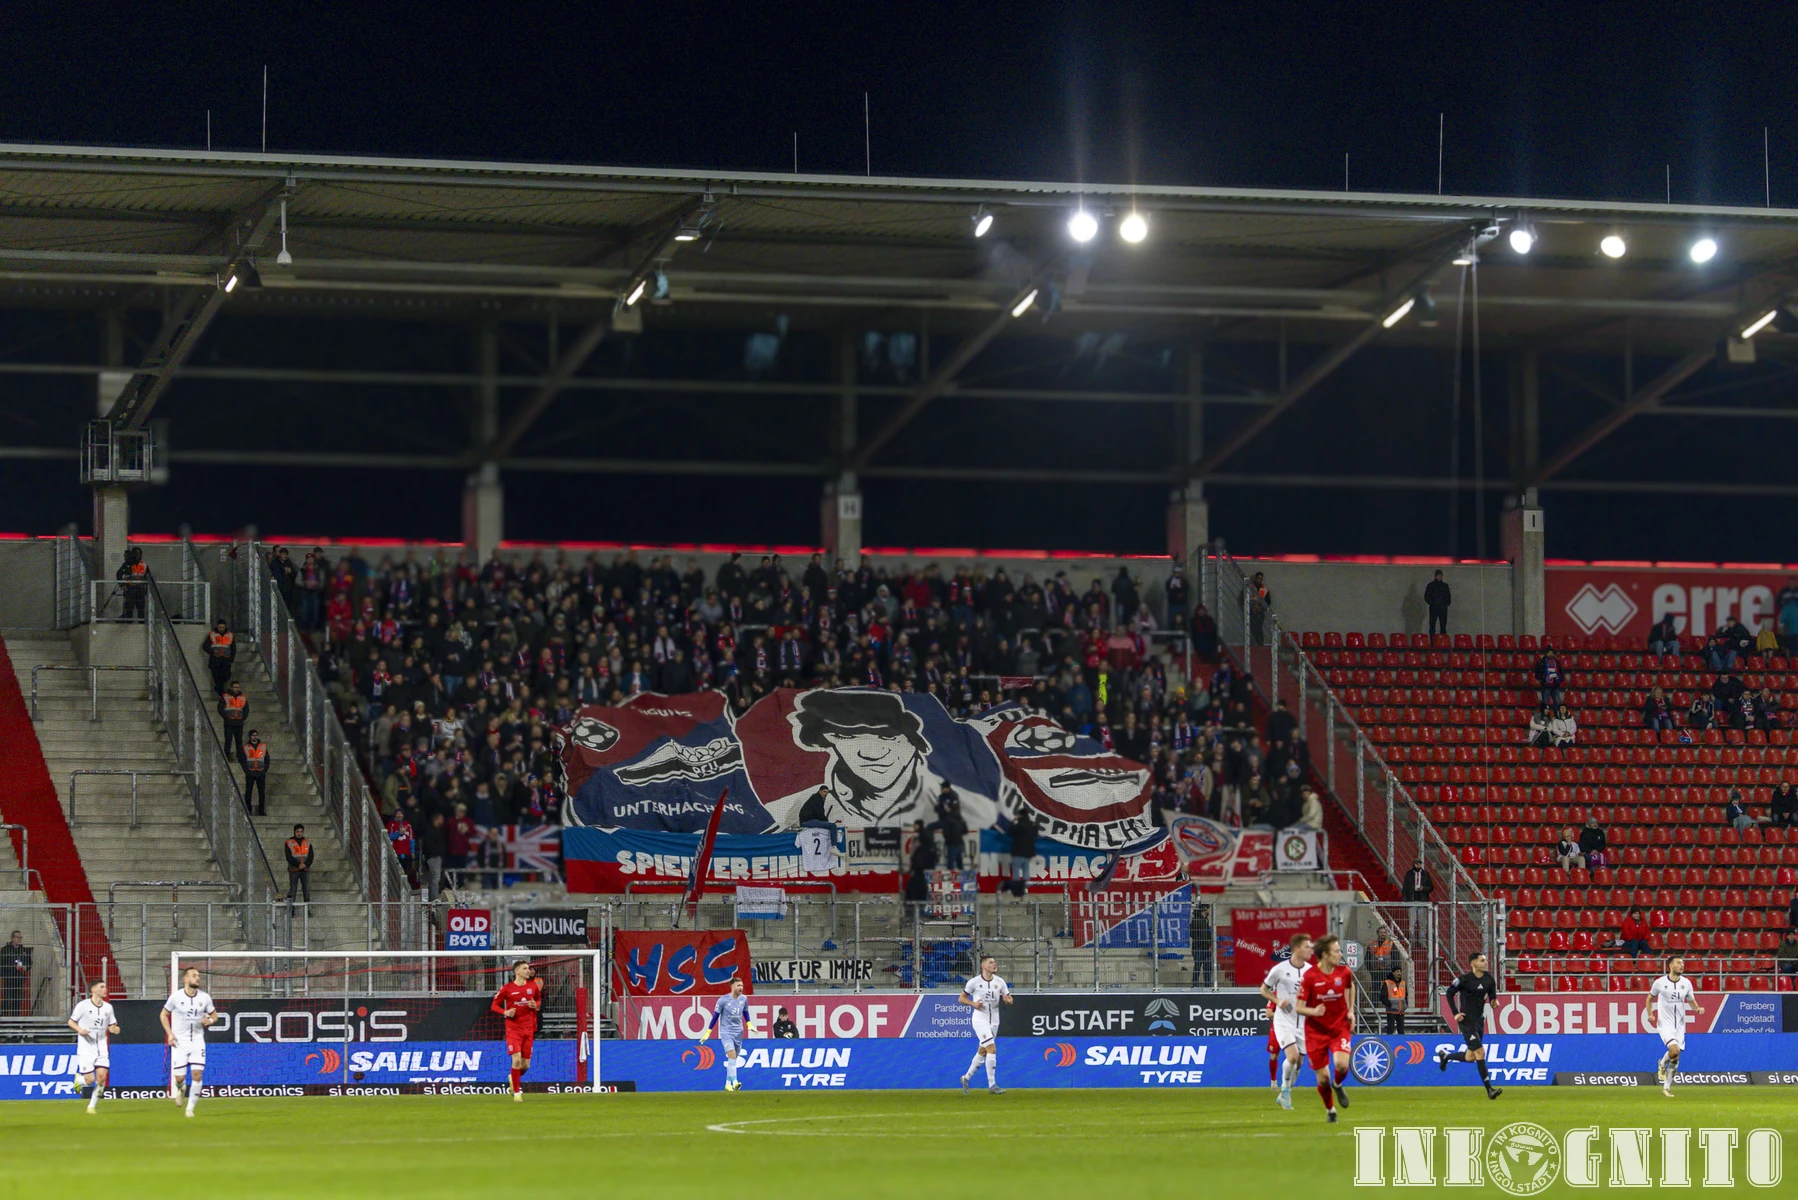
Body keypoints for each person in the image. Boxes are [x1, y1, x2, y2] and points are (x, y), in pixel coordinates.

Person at [1296, 933, 1354, 1123]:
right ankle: (1330, 1110)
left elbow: (1350, 987)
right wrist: (1314, 1011)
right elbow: (1298, 1007)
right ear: (1325, 955)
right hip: (1315, 1032)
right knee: (1322, 1079)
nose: (1340, 954)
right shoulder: (1310, 977)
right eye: (1336, 951)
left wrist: (1351, 1011)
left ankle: (1337, 1084)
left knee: (1342, 1065)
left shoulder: (1344, 972)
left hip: (1339, 1027)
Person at [1436, 950, 1503, 1100]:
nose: (1486, 963)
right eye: (1482, 960)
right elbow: (1449, 993)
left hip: (1479, 1021)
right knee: (1480, 1052)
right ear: (1474, 964)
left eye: (1485, 960)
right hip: (1466, 1021)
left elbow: (1493, 998)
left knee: (1471, 1056)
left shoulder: (1489, 979)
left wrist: (1494, 1002)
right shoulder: (1464, 980)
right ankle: (1490, 1090)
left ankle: (1446, 1056)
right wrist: (1455, 1013)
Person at [1259, 933, 1312, 1111]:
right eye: (1307, 946)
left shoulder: (1311, 971)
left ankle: (1284, 1093)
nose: (1310, 950)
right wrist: (1277, 1001)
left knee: (1299, 1063)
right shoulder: (1279, 969)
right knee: (1292, 1056)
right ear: (1296, 949)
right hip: (1283, 1021)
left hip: (1302, 1022)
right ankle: (1286, 1092)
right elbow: (1263, 989)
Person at [160, 966, 217, 1118]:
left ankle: (190, 1109)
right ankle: (181, 1088)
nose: (197, 978)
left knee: (197, 1074)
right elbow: (163, 1015)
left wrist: (210, 1021)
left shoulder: (205, 998)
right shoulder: (176, 997)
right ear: (185, 979)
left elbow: (214, 1015)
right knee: (179, 1078)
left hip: (198, 1041)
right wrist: (170, 1034)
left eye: (198, 975)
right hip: (180, 1042)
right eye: (193, 975)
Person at [1646, 956, 1702, 1098]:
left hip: (1680, 1026)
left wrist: (1697, 1008)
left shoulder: (1686, 983)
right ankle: (1662, 1063)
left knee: (1676, 1057)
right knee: (1674, 1050)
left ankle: (1666, 1088)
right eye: (1679, 963)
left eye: (1683, 963)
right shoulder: (1659, 982)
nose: (1682, 965)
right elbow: (1649, 998)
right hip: (1665, 1024)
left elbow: (1691, 1000)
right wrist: (1650, 1014)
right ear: (1670, 966)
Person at [957, 954, 1012, 1095]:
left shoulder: (1000, 981)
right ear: (983, 966)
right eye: (991, 962)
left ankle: (966, 1078)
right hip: (980, 1019)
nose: (994, 964)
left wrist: (1008, 1000)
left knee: (983, 1051)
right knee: (992, 1048)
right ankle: (992, 1084)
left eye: (995, 962)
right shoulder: (974, 982)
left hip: (994, 1020)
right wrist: (973, 1004)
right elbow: (961, 998)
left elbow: (1009, 998)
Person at [492, 959, 543, 1100]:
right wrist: (505, 1012)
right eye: (525, 968)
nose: (528, 971)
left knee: (526, 1065)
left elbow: (538, 1001)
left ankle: (513, 1078)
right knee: (517, 1060)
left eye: (528, 968)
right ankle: (517, 1093)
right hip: (513, 1029)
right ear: (517, 972)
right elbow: (494, 1005)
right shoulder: (507, 988)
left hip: (529, 1029)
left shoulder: (533, 986)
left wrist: (535, 1005)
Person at [66, 978, 119, 1114]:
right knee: (90, 1080)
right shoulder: (83, 1006)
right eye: (102, 987)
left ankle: (91, 1106)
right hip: (86, 1047)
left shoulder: (108, 1007)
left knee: (102, 1077)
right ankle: (79, 1080)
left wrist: (114, 1029)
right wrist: (80, 1030)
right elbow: (71, 1022)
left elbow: (111, 1025)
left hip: (101, 1046)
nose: (105, 989)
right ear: (93, 989)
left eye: (105, 987)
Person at [201, 618, 236, 696]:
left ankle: (218, 688)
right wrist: (212, 651)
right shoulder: (212, 634)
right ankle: (221, 693)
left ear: (225, 627)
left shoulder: (230, 635)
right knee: (216, 677)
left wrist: (231, 659)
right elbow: (205, 646)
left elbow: (233, 648)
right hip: (215, 659)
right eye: (219, 627)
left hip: (226, 659)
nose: (221, 629)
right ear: (217, 626)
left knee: (226, 676)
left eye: (222, 627)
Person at [1007, 811, 1037, 897]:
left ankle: (1017, 890)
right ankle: (1025, 888)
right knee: (1026, 871)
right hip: (1029, 853)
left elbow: (1009, 831)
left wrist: (1012, 822)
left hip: (1018, 852)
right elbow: (1036, 833)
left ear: (1020, 815)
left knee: (1016, 871)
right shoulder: (1032, 825)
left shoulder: (1019, 825)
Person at [239, 729, 269, 817]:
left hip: (260, 772)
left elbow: (267, 759)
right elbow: (242, 760)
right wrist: (246, 770)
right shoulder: (246, 747)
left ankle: (261, 811)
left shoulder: (262, 747)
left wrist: (264, 770)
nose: (255, 737)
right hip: (250, 772)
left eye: (256, 735)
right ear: (250, 737)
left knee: (261, 793)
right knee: (248, 792)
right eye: (253, 735)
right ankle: (248, 811)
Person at [284, 824, 314, 909]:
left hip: (305, 869)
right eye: (297, 831)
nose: (299, 833)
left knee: (306, 890)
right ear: (294, 832)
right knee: (293, 890)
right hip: (294, 870)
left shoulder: (307, 842)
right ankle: (291, 910)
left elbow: (311, 856)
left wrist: (305, 864)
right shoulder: (289, 842)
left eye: (301, 831)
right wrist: (298, 864)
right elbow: (289, 857)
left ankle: (307, 910)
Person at [116, 546, 148, 622]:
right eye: (136, 553)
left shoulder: (144, 565)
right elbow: (119, 574)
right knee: (129, 608)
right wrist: (122, 585)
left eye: (139, 554)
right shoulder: (128, 564)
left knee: (141, 608)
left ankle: (141, 624)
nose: (138, 555)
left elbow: (147, 577)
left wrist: (146, 589)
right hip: (130, 589)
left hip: (140, 589)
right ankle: (128, 623)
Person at [0, 931, 28, 1016]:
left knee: (17, 1000)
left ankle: (16, 1019)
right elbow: (2, 963)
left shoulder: (23, 950)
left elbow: (29, 962)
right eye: (17, 937)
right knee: (8, 999)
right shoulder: (6, 950)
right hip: (8, 978)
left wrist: (25, 967)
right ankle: (4, 1018)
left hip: (19, 978)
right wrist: (13, 967)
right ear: (12, 938)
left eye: (20, 937)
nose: (19, 939)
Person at [218, 680, 248, 757]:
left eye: (238, 687)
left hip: (239, 723)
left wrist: (242, 719)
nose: (237, 689)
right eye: (235, 687)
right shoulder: (225, 697)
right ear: (231, 688)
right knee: (228, 741)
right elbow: (220, 709)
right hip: (229, 723)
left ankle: (240, 758)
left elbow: (246, 709)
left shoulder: (242, 698)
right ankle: (226, 757)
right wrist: (227, 718)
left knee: (239, 742)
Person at [1424, 570, 1452, 636]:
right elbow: (1427, 596)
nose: (1439, 577)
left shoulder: (1445, 586)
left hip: (1442, 609)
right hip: (1434, 608)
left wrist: (1445, 604)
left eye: (1440, 576)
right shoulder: (1431, 585)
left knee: (1443, 626)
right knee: (1432, 626)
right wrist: (1432, 603)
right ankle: (1432, 641)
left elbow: (1448, 597)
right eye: (1438, 576)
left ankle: (1442, 641)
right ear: (1435, 576)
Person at [1382, 967, 1407, 1036]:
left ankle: (1401, 1041)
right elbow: (1382, 997)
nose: (1399, 973)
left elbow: (1406, 995)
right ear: (1393, 973)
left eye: (1400, 971)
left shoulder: (1403, 983)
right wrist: (1390, 1005)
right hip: (1391, 1010)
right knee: (1390, 1028)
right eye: (1397, 971)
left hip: (1401, 1010)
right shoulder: (1387, 983)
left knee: (1401, 1029)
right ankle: (1389, 1041)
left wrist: (1405, 1004)